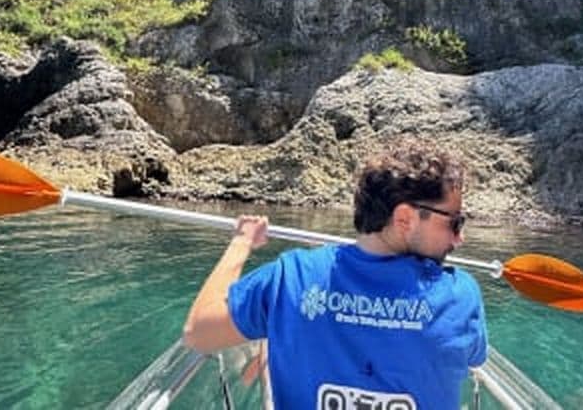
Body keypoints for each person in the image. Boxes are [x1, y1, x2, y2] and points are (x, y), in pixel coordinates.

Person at [183, 141, 487, 409]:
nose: (458, 239)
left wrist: (242, 242)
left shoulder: (291, 275)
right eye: (455, 222)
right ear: (405, 219)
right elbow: (473, 358)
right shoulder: (460, 295)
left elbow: (198, 333)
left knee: (274, 339)